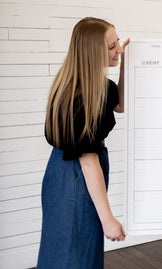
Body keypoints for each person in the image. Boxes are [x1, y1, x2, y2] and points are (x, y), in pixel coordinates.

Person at [37, 17, 129, 268]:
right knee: (75, 252)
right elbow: (88, 163)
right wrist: (108, 219)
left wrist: (126, 66)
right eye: (111, 47)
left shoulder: (95, 87)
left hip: (60, 171)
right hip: (76, 176)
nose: (118, 49)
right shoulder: (80, 97)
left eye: (117, 41)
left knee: (66, 246)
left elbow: (119, 105)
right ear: (92, 52)